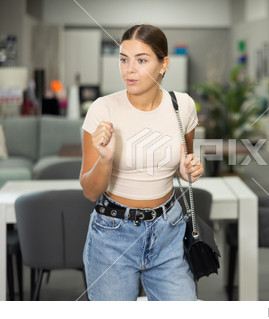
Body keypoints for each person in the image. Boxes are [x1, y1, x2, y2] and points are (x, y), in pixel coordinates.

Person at [79, 24, 204, 301]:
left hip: (168, 231)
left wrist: (189, 169)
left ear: (164, 64)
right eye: (124, 59)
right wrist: (106, 158)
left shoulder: (181, 106)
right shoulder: (103, 109)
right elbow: (89, 191)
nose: (129, 69)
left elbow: (185, 165)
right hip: (113, 235)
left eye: (141, 60)